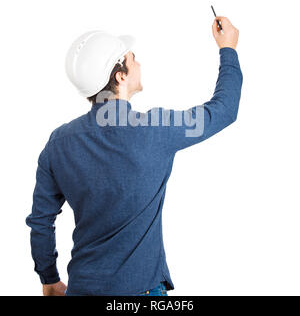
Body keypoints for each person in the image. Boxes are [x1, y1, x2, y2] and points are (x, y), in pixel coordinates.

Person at [26, 17, 243, 296]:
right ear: (120, 76)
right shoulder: (157, 129)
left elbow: (41, 221)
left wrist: (49, 279)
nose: (139, 64)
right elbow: (223, 110)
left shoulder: (58, 143)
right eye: (133, 59)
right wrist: (228, 48)